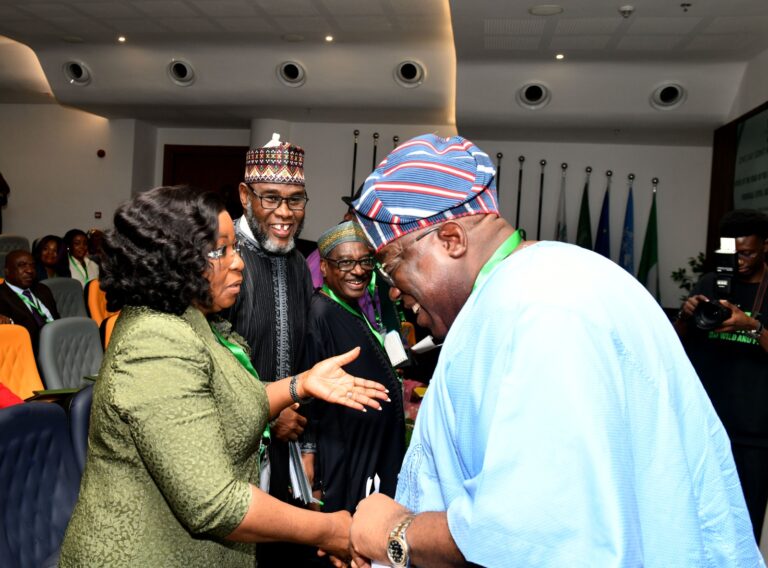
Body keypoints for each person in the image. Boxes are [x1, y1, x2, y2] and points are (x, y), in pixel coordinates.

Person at [347, 134, 762, 567]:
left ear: (451, 239)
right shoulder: (555, 280)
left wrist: (396, 533)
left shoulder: (540, 311)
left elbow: (533, 531)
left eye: (391, 264)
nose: (392, 290)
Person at [59, 186, 389, 567]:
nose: (239, 263)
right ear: (174, 259)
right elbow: (216, 503)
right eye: (221, 251)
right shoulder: (154, 341)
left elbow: (229, 402)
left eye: (234, 248)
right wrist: (330, 530)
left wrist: (300, 384)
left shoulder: (191, 318)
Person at [224, 133, 319, 565]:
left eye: (295, 200)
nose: (285, 213)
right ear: (245, 196)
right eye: (271, 198)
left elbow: (305, 358)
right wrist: (265, 415)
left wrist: (307, 444)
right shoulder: (224, 259)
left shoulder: (298, 263)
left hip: (286, 446)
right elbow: (212, 364)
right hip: (233, 451)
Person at [674, 209, 768, 538]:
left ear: (766, 245)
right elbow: (677, 344)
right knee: (698, 519)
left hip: (754, 433)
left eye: (748, 253)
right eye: (732, 254)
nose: (739, 262)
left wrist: (751, 325)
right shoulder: (711, 283)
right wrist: (686, 315)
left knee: (745, 524)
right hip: (706, 424)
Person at [303, 221, 405, 515]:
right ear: (324, 268)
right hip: (345, 463)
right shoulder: (320, 313)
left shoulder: (350, 307)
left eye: (365, 261)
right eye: (346, 262)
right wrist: (316, 476)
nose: (358, 270)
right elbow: (311, 400)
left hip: (369, 455)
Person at [0, 249, 60, 354]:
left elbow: (57, 319)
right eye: (21, 265)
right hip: (30, 352)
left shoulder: (43, 289)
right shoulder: (1, 296)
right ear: (7, 271)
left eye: (32, 265)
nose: (29, 270)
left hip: (59, 343)